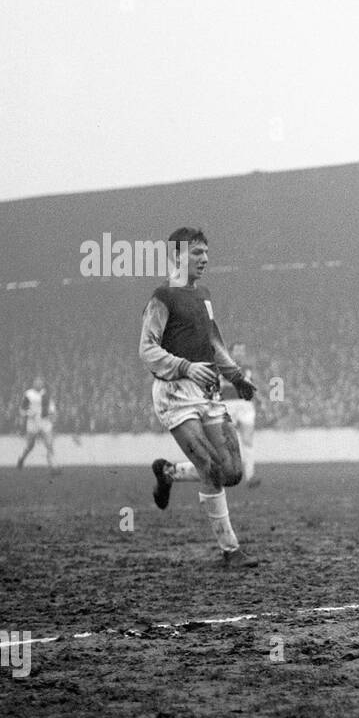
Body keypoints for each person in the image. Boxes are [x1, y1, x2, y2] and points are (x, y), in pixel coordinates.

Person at [140, 227, 259, 568]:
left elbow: (214, 343)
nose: (204, 258)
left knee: (232, 472)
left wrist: (236, 377)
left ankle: (169, 474)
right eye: (196, 253)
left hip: (207, 391)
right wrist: (185, 367)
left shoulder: (203, 295)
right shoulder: (162, 297)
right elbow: (147, 349)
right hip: (175, 393)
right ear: (176, 256)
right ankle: (230, 551)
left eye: (206, 252)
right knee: (209, 466)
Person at [220, 342, 260, 488]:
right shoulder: (222, 367)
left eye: (242, 350)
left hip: (245, 406)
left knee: (248, 441)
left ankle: (250, 476)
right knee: (227, 442)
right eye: (237, 350)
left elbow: (254, 387)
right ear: (231, 352)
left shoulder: (249, 369)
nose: (240, 353)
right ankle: (227, 474)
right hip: (228, 405)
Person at [17, 376, 60, 473]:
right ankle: (22, 459)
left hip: (45, 422)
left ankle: (52, 467)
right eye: (36, 382)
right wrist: (29, 414)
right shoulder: (28, 394)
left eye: (40, 382)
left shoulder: (46, 394)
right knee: (30, 445)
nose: (38, 384)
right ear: (33, 383)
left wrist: (53, 415)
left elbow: (52, 408)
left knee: (49, 444)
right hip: (32, 423)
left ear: (43, 384)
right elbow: (22, 410)